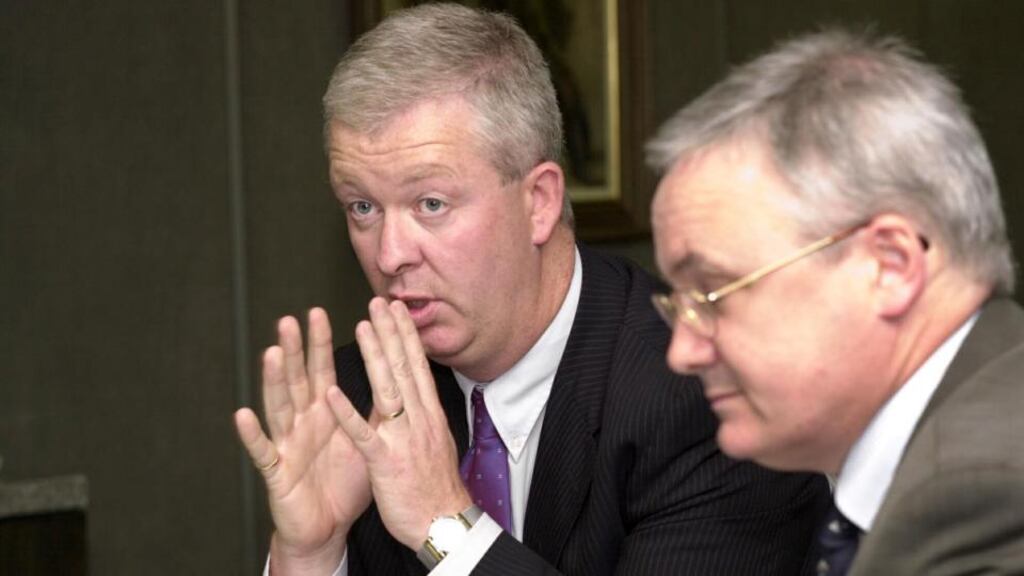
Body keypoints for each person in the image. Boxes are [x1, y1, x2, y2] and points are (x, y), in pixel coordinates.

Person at [234, 4, 829, 575]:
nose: (389, 255)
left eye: (431, 204)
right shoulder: (357, 400)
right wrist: (311, 553)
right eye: (362, 207)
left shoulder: (706, 397)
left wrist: (447, 527)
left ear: (539, 202)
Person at [647, 28, 1024, 576]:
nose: (682, 352)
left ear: (889, 267)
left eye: (711, 293)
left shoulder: (983, 495)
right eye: (678, 303)